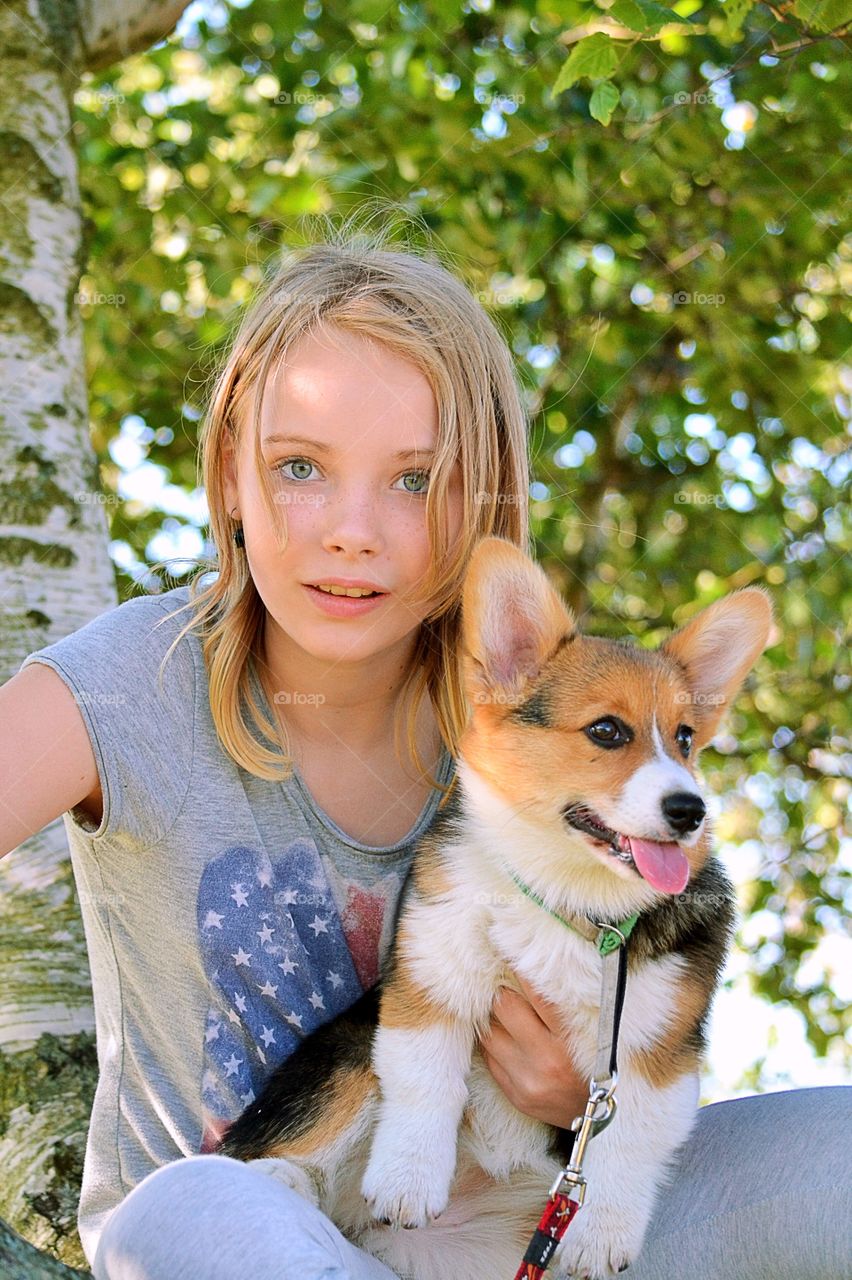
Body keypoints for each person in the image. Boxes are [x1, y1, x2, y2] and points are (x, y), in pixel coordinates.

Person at [0, 220, 848, 1280]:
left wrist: (578, 1095)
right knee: (204, 1200)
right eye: (300, 465)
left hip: (519, 1214)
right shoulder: (134, 679)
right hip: (242, 1225)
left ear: (480, 500)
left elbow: (647, 1007)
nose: (352, 528)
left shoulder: (542, 710)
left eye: (414, 479)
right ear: (227, 474)